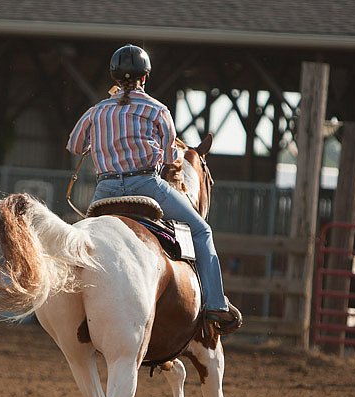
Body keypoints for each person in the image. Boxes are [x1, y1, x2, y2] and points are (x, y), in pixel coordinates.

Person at [66, 44, 241, 334]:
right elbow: (173, 155)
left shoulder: (96, 111)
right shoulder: (156, 109)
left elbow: (74, 145)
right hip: (145, 185)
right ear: (144, 78)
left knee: (78, 245)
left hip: (105, 191)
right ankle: (215, 305)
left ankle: (74, 305)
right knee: (201, 231)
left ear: (114, 77)